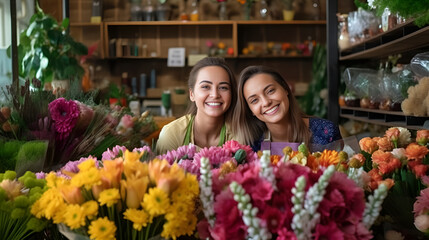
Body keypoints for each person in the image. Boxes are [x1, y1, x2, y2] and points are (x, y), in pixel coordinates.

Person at [234, 65, 342, 153]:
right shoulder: (253, 146)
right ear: (250, 110)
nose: (266, 102)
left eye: (270, 91)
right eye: (254, 100)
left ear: (285, 89)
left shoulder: (326, 132)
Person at [156, 57, 237, 154]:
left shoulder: (239, 135)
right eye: (206, 87)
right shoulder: (171, 134)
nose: (215, 95)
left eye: (223, 87)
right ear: (192, 94)